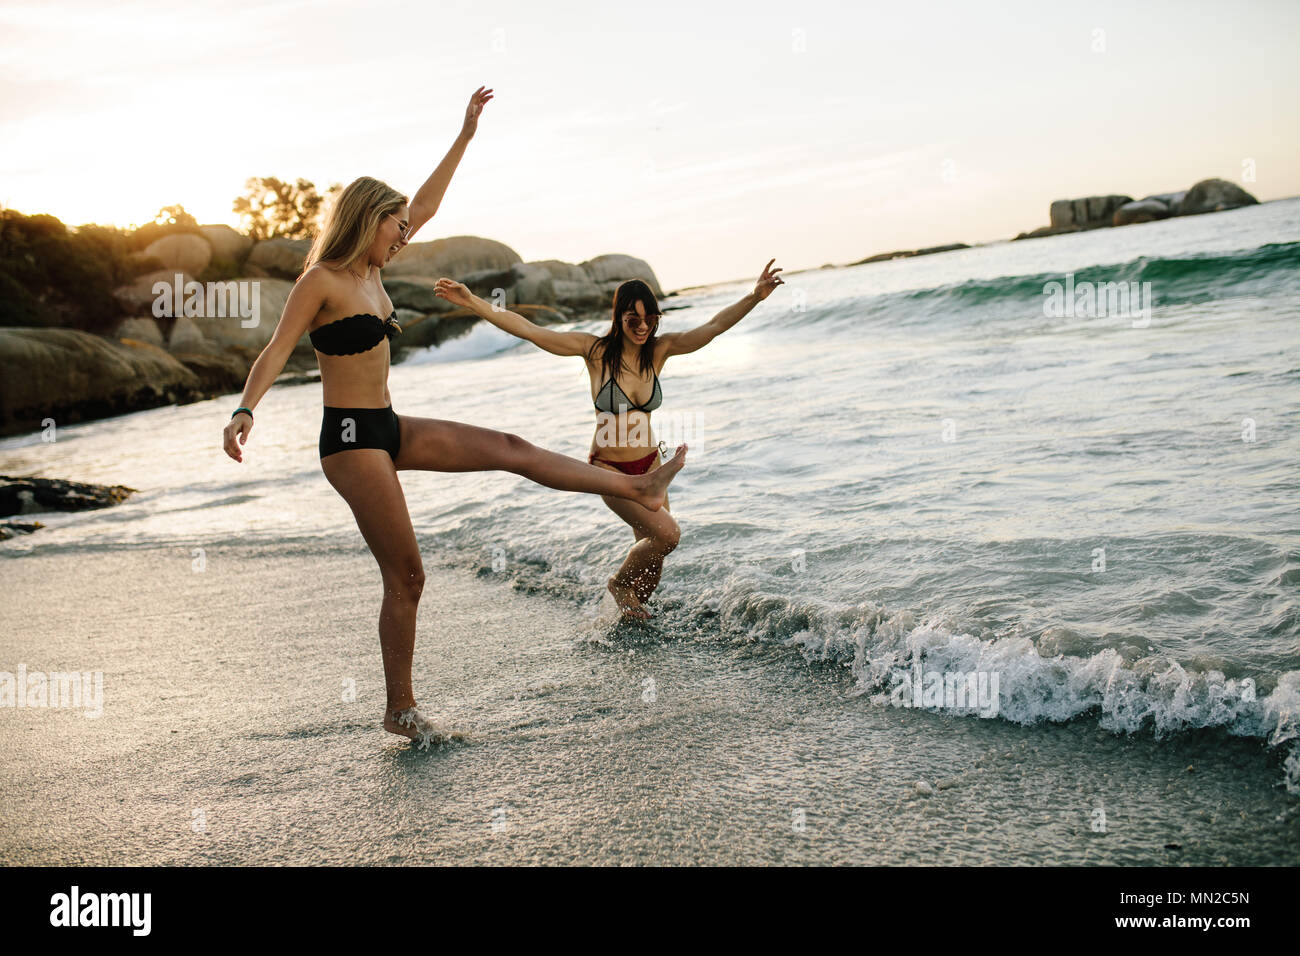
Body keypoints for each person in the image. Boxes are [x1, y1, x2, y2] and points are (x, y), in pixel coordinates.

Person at [221, 87, 688, 748]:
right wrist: (245, 409)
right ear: (367, 220)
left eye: (404, 227)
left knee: (509, 444)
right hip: (351, 440)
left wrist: (465, 135)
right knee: (407, 574)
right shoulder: (321, 279)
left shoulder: (374, 274)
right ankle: (400, 709)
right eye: (396, 226)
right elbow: (276, 348)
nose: (405, 233)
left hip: (388, 425)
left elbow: (426, 203)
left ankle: (637, 487)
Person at [431, 259, 783, 619]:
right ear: (618, 318)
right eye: (633, 319)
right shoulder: (594, 351)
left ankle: (632, 623)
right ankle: (617, 585)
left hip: (651, 465)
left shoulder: (659, 351)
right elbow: (529, 330)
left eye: (650, 319)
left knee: (652, 565)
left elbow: (714, 326)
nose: (643, 326)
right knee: (666, 536)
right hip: (610, 471)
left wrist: (754, 296)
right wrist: (473, 301)